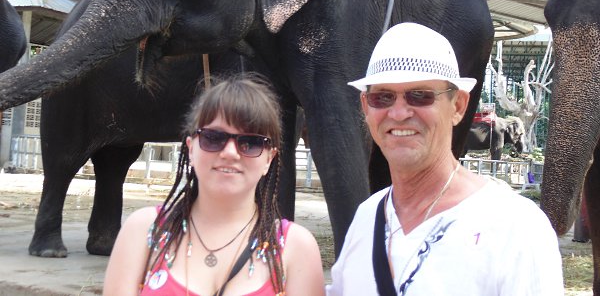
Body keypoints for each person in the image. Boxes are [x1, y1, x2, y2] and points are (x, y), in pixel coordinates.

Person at [326, 22, 564, 296]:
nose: (399, 113)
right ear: (366, 107)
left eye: (420, 96)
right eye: (383, 97)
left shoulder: (515, 226)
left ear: (458, 106)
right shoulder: (366, 218)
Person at [103, 75, 325, 296]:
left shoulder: (297, 248)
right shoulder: (143, 231)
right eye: (213, 138)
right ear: (191, 148)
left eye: (250, 143)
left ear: (269, 158)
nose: (230, 153)